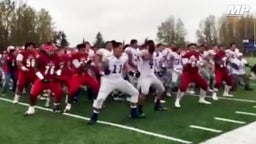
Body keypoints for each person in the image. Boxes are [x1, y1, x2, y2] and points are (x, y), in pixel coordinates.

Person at [88, 41, 141, 124]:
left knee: (135, 92)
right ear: (114, 49)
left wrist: (133, 73)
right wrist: (104, 70)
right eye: (119, 48)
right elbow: (101, 67)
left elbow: (127, 67)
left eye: (122, 48)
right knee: (100, 99)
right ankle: (94, 117)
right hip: (108, 81)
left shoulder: (124, 57)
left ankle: (133, 113)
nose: (121, 50)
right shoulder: (108, 57)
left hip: (119, 79)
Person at [24, 43, 64, 115]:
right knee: (33, 93)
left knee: (59, 92)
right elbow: (35, 68)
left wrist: (58, 75)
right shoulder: (40, 57)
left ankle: (56, 105)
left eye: (52, 50)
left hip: (52, 79)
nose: (51, 52)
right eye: (49, 50)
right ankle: (31, 108)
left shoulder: (58, 57)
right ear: (46, 50)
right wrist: (42, 78)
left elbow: (59, 68)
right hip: (42, 80)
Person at [175, 43, 211, 108]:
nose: (193, 49)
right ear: (188, 48)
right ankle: (177, 100)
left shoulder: (197, 54)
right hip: (187, 73)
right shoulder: (186, 54)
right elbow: (184, 64)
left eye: (194, 47)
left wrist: (200, 63)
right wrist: (190, 61)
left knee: (204, 85)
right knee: (183, 86)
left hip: (195, 73)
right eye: (191, 47)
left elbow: (202, 62)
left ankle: (202, 99)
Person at [137, 40, 166, 116]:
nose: (152, 46)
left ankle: (157, 105)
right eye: (151, 45)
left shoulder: (154, 53)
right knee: (144, 92)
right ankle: (139, 109)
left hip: (152, 75)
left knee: (162, 89)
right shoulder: (144, 52)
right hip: (145, 76)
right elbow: (142, 56)